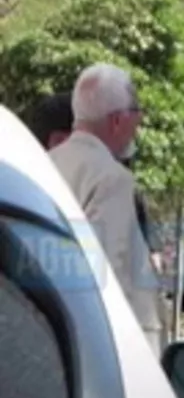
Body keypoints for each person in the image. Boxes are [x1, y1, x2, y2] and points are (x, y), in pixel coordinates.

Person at [48, 64, 164, 353]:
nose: (139, 121)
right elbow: (110, 279)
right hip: (111, 350)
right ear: (116, 120)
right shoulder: (112, 178)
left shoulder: (45, 162)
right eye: (136, 111)